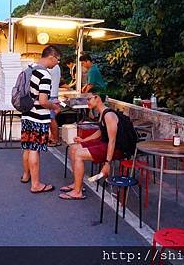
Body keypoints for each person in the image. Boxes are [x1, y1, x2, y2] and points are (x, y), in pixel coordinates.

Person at [59, 90, 123, 200]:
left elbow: (112, 141)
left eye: (89, 99)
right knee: (73, 148)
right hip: (105, 143)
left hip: (117, 148)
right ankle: (77, 183)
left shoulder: (109, 115)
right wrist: (84, 140)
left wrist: (107, 163)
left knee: (78, 154)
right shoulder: (102, 113)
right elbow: (100, 132)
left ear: (97, 98)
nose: (87, 101)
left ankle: (77, 192)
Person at [20, 45, 62, 193]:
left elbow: (34, 95)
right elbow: (43, 101)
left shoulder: (30, 68)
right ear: (51, 57)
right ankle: (36, 184)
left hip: (27, 113)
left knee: (27, 147)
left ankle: (26, 176)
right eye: (57, 60)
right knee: (35, 150)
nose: (57, 63)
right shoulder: (44, 75)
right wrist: (54, 107)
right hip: (38, 117)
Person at [48, 63, 62, 147]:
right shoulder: (56, 67)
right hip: (53, 94)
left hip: (51, 95)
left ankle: (55, 139)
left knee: (51, 119)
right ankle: (53, 138)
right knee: (51, 118)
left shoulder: (52, 67)